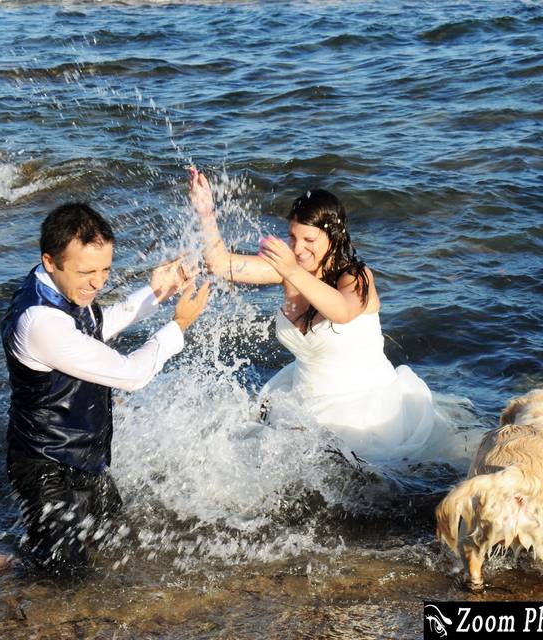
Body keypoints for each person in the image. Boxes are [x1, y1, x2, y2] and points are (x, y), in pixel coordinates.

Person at [189, 167, 463, 466]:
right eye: (293, 238)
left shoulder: (357, 278)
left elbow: (342, 312)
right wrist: (206, 213)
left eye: (309, 240)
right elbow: (220, 264)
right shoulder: (290, 271)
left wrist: (291, 269)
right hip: (302, 401)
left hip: (363, 408)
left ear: (333, 236)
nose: (298, 249)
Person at [1, 202, 210, 573]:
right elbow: (132, 375)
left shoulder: (60, 288)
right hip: (46, 468)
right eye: (87, 272)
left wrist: (155, 293)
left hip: (86, 460)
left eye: (105, 269)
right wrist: (179, 324)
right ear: (50, 261)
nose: (98, 282)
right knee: (63, 582)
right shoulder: (40, 322)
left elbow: (94, 328)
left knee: (117, 548)